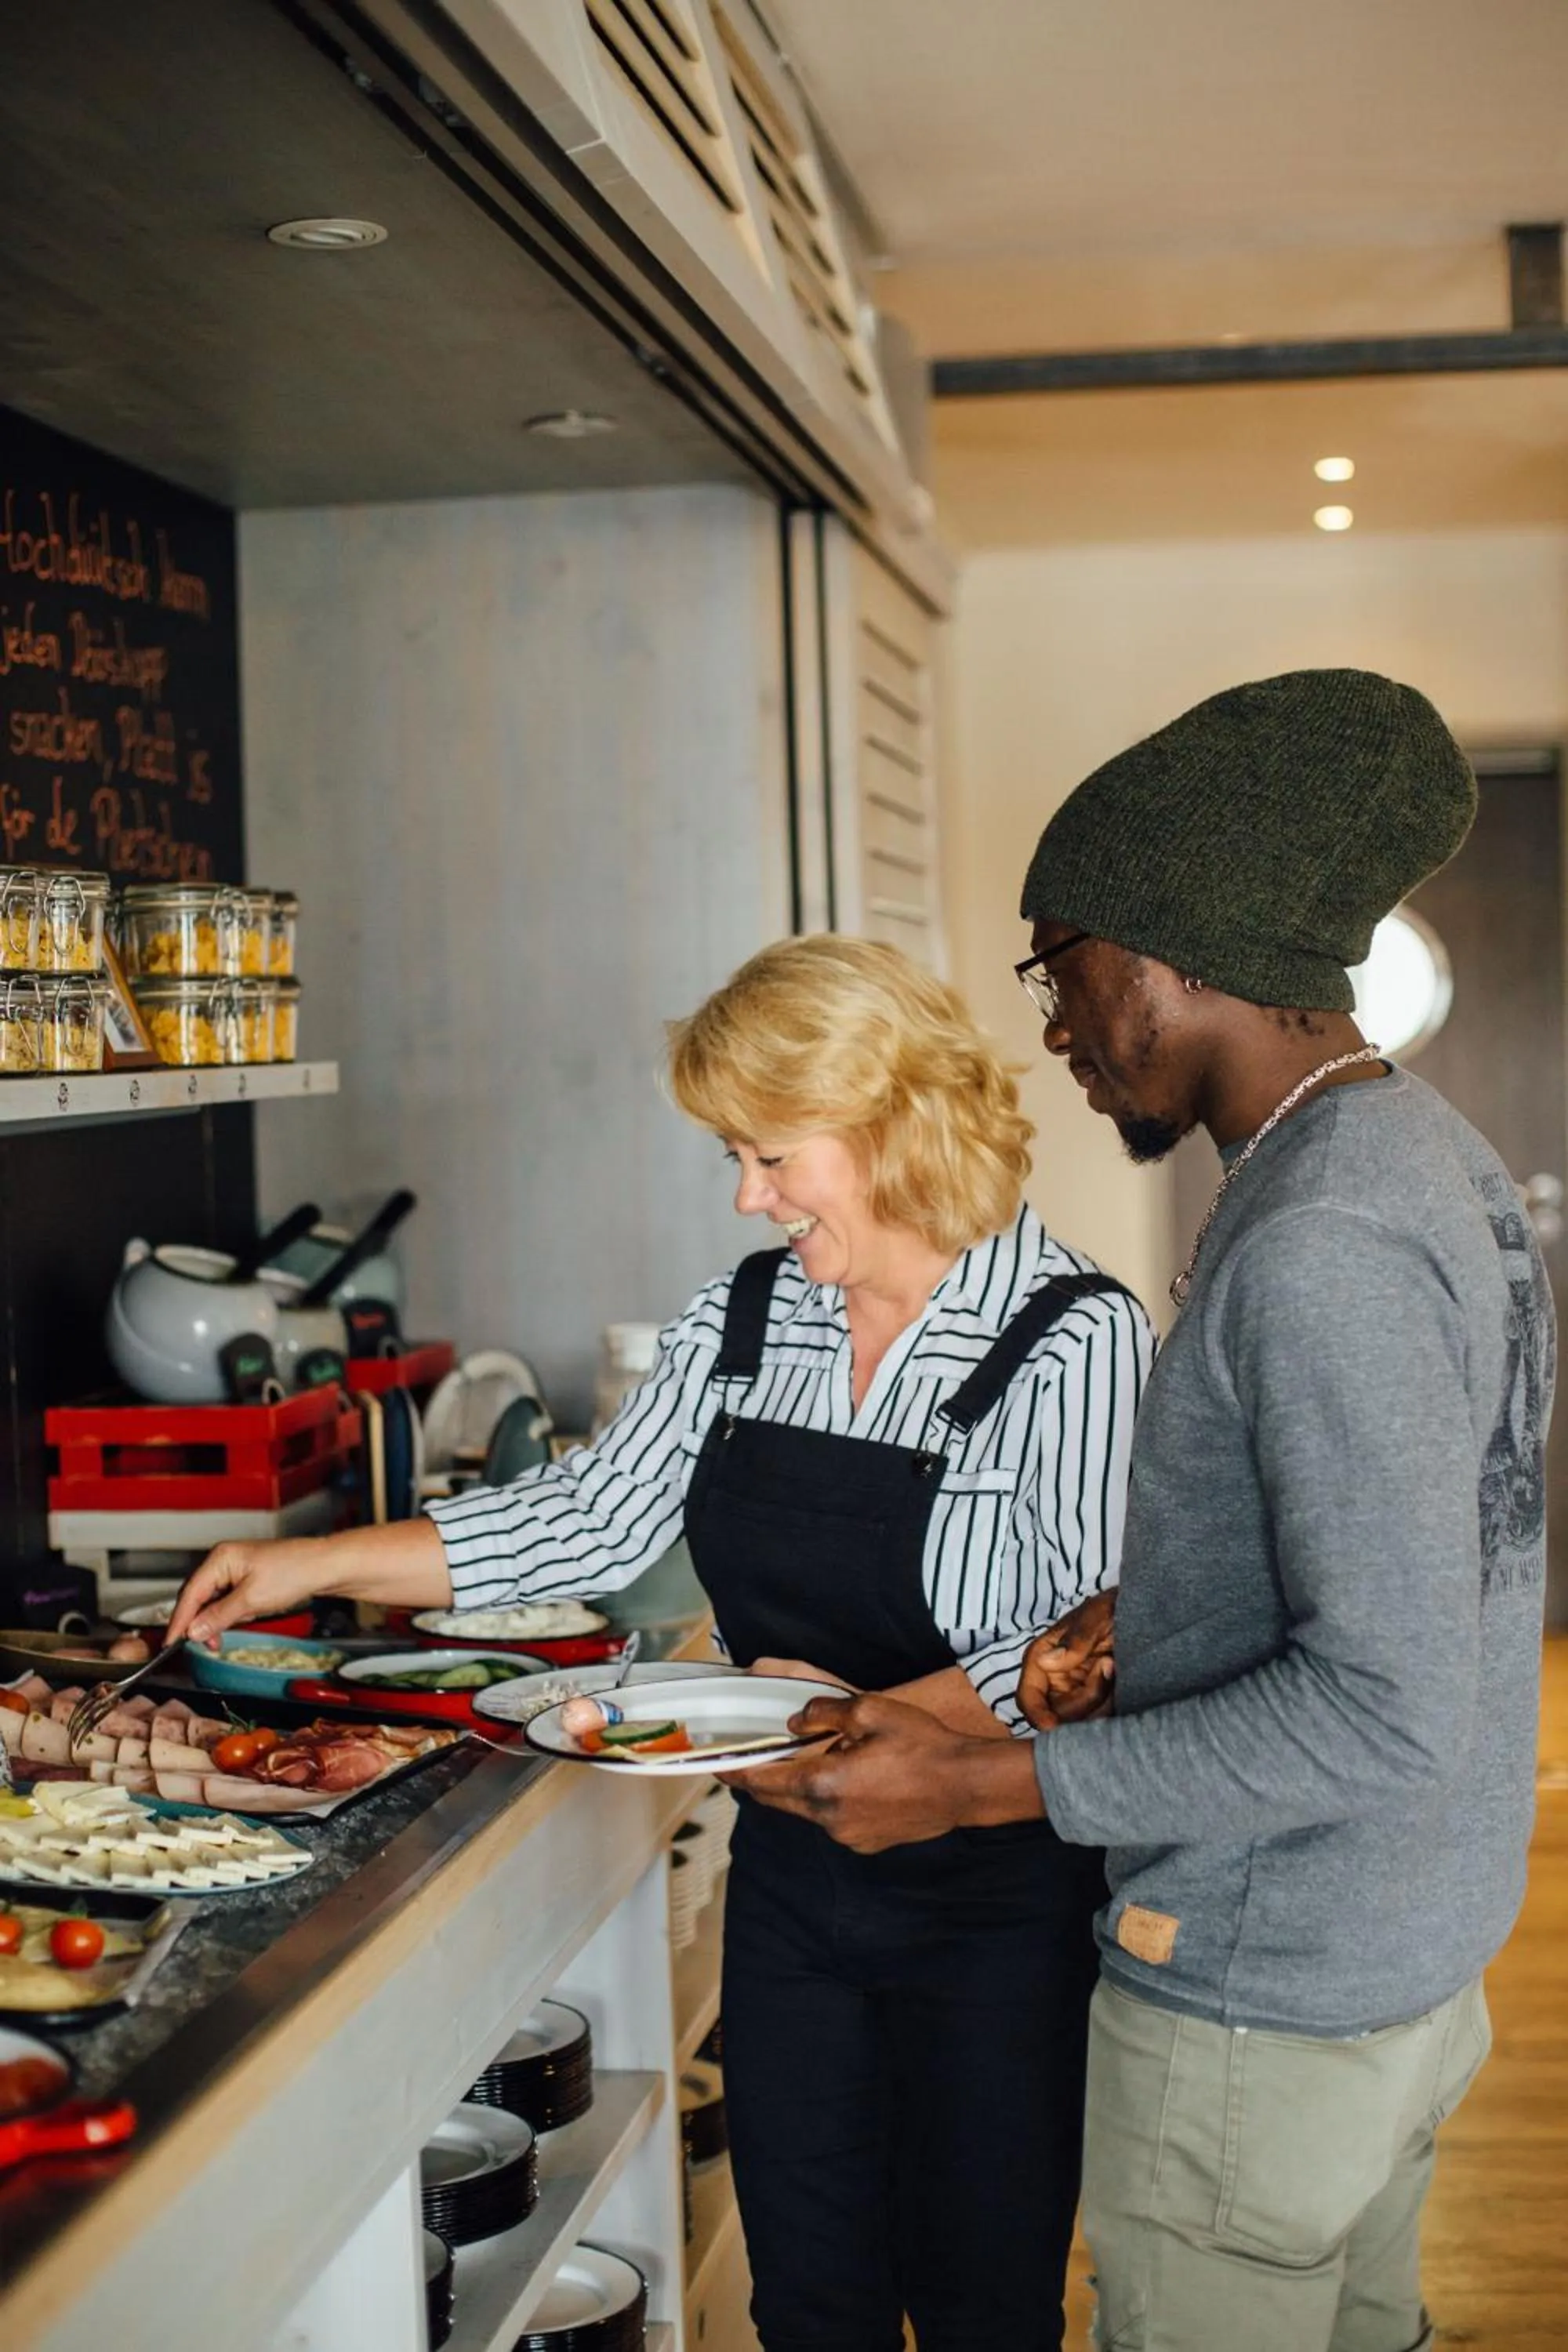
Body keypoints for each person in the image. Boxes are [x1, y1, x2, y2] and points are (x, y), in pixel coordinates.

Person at [166, 933, 1155, 2352]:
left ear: (888, 1119)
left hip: (998, 1902)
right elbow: (583, 1521)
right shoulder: (746, 1319)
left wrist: (845, 1720)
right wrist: (301, 1564)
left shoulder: (1075, 1338)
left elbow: (1074, 1650)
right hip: (798, 1888)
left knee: (984, 2301)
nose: (749, 1196)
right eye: (733, 1158)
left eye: (771, 1153)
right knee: (808, 2298)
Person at [746, 670, 1555, 2352]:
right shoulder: (1420, 1162)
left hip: (1263, 2002)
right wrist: (1158, 1610)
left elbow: (1384, 1697)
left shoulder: (1318, 1240)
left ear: (1168, 956)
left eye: (1061, 962)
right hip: (1394, 1959)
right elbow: (1427, 1546)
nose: (1049, 1019)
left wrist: (987, 1781)